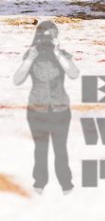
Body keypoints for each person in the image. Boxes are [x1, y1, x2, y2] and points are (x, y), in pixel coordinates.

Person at [13, 20, 78, 194]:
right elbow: (17, 80)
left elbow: (74, 74)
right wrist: (30, 59)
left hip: (61, 109)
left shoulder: (62, 54)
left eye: (51, 36)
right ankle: (39, 183)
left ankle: (66, 183)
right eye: (43, 36)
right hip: (36, 110)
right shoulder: (31, 54)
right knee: (40, 149)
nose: (46, 40)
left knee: (60, 149)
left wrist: (58, 54)